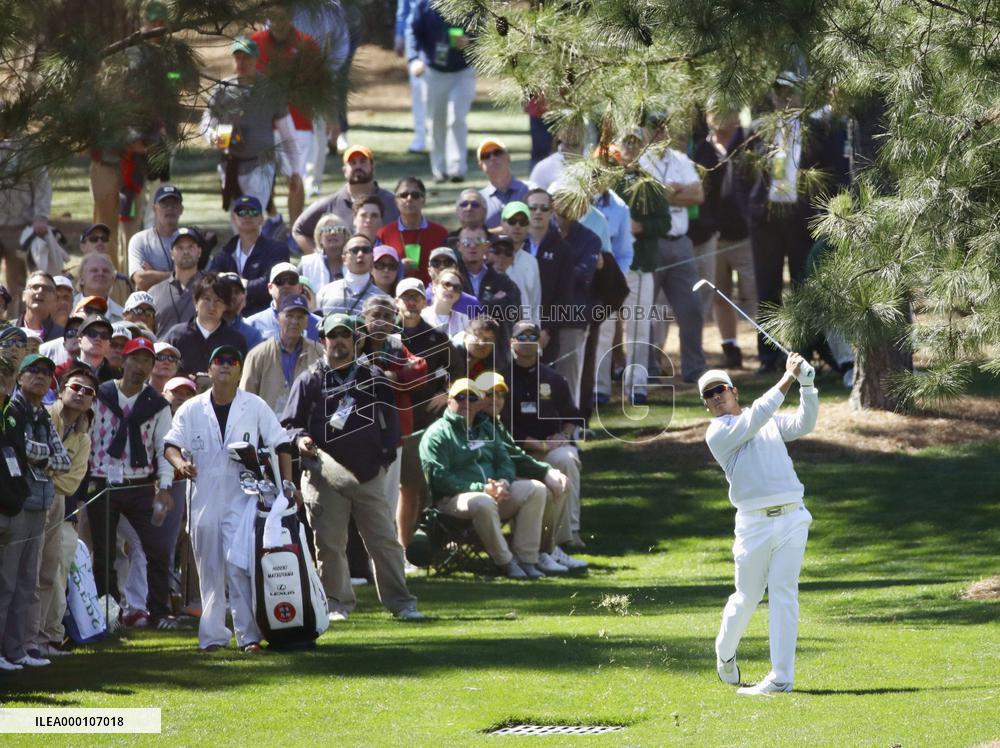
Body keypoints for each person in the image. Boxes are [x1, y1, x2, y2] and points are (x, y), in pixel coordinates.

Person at [282, 312, 423, 621]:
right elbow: (289, 424)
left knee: (385, 540)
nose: (339, 341)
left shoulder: (374, 377)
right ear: (323, 341)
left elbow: (392, 424)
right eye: (333, 335)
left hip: (368, 474)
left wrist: (384, 459)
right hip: (322, 474)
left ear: (356, 339)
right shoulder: (309, 380)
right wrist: (301, 439)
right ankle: (336, 604)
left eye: (345, 334)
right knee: (329, 543)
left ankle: (402, 603)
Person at [164, 345, 297, 653]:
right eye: (219, 361)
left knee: (240, 567)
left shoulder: (254, 405)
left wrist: (287, 486)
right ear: (210, 370)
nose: (225, 365)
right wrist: (180, 464)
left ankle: (249, 636)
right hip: (204, 498)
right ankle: (212, 637)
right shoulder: (192, 408)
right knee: (209, 570)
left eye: (232, 361)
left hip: (243, 498)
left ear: (239, 371)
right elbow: (171, 444)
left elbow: (281, 444)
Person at [700, 355, 817, 695]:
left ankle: (781, 678)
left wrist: (808, 386)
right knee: (747, 596)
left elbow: (803, 424)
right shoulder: (718, 432)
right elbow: (757, 417)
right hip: (753, 525)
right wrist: (788, 377)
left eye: (721, 390)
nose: (717, 397)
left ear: (734, 391)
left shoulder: (765, 419)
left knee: (783, 593)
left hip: (793, 517)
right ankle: (725, 653)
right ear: (706, 405)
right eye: (709, 395)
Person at [86, 337, 177, 630]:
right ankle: (109, 613)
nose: (140, 366)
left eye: (147, 361)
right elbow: (87, 438)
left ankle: (159, 611)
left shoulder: (157, 404)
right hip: (103, 481)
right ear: (123, 361)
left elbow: (164, 447)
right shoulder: (101, 395)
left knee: (157, 548)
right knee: (105, 553)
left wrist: (165, 486)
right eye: (135, 359)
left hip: (139, 485)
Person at [419, 378, 548, 579]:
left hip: (493, 495)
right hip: (451, 501)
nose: (466, 402)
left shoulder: (486, 428)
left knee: (536, 489)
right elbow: (440, 479)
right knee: (483, 501)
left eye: (472, 398)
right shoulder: (437, 434)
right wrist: (481, 488)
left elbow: (505, 462)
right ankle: (506, 562)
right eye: (460, 397)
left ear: (479, 403)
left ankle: (527, 559)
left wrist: (503, 482)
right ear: (449, 400)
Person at [474, 371, 586, 572]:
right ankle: (538, 553)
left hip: (500, 484)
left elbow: (511, 456)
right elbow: (511, 456)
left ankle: (544, 551)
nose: (495, 399)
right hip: (479, 490)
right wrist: (543, 472)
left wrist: (546, 472)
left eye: (500, 394)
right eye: (489, 393)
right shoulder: (476, 422)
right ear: (477, 396)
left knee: (556, 484)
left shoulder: (493, 423)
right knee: (541, 489)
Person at [0, 353, 71, 669]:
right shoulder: (11, 409)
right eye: (34, 370)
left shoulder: (43, 414)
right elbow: (20, 448)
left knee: (27, 583)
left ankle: (18, 649)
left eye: (47, 372)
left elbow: (62, 461)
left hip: (40, 505)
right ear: (19, 377)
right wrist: (41, 455)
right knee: (6, 582)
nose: (41, 376)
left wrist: (38, 456)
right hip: (16, 505)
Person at [746, 74, 818, 374]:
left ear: (800, 94)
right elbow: (738, 176)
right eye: (778, 93)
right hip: (766, 221)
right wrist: (751, 209)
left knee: (803, 287)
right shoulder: (757, 130)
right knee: (768, 290)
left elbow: (830, 171)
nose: (783, 98)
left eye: (789, 92)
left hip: (801, 218)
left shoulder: (817, 128)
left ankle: (804, 353)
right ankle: (769, 356)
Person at [27, 365, 95, 658]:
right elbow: (28, 462)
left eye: (87, 391)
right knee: (25, 573)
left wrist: (45, 470)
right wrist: (50, 469)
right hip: (27, 500)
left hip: (57, 505)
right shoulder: (41, 416)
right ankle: (20, 640)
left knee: (49, 573)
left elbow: (71, 483)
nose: (80, 394)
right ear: (61, 389)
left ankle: (43, 639)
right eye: (75, 387)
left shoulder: (84, 438)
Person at [507, 321, 587, 550]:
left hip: (549, 447)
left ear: (540, 342)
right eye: (522, 337)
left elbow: (573, 416)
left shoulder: (553, 378)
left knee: (567, 459)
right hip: (516, 450)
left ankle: (568, 535)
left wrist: (563, 435)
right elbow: (499, 423)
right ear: (512, 342)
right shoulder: (503, 378)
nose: (528, 342)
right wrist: (532, 443)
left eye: (533, 337)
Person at [202, 37, 300, 212]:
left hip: (261, 164)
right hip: (231, 165)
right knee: (237, 218)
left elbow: (287, 133)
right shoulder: (223, 90)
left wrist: (295, 171)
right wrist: (219, 138)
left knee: (253, 213)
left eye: (246, 58)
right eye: (238, 57)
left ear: (256, 59)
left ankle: (269, 223)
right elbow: (206, 125)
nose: (241, 62)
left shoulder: (271, 90)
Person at [690, 109, 756, 368]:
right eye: (714, 111)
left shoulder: (749, 142)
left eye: (726, 109)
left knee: (755, 293)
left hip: (746, 235)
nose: (720, 116)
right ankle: (730, 348)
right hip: (713, 238)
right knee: (720, 295)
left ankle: (770, 349)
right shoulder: (701, 150)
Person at [250, 7, 323, 225]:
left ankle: (295, 229)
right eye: (274, 18)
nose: (278, 23)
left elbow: (320, 85)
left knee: (295, 176)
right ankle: (271, 219)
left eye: (283, 17)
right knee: (261, 176)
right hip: (264, 122)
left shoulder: (307, 44)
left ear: (291, 16)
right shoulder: (255, 43)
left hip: (298, 120)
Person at [407, 1, 476, 183]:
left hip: (463, 71)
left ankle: (457, 168)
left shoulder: (470, 4)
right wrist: (414, 59)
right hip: (433, 71)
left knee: (456, 118)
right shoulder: (424, 5)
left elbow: (485, 31)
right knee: (436, 120)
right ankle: (439, 170)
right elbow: (413, 32)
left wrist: (470, 41)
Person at [293, 145, 399, 253]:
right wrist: (320, 257)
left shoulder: (394, 202)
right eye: (353, 163)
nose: (358, 166)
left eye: (363, 162)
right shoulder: (331, 204)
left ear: (373, 167)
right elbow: (298, 229)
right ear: (344, 170)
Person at [240, 293, 323, 416]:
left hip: (305, 425)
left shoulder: (319, 353)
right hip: (266, 424)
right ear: (278, 318)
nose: (294, 321)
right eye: (289, 316)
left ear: (307, 322)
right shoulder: (257, 355)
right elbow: (245, 398)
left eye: (300, 317)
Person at [207, 196, 290, 316]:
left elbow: (271, 285)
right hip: (227, 317)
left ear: (261, 219)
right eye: (241, 212)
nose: (247, 216)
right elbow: (210, 280)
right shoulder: (225, 252)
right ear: (234, 219)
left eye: (253, 212)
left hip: (264, 316)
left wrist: (233, 283)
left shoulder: (277, 249)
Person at [0, 137, 51, 319]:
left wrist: (40, 216)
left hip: (20, 226)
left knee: (17, 282)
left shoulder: (27, 150)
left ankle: (16, 324)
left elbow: (42, 184)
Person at [162, 274, 247, 375]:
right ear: (195, 301)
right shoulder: (177, 335)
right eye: (207, 299)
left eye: (218, 301)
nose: (212, 306)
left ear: (225, 306)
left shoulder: (235, 341)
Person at [376, 177, 448, 281]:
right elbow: (377, 270)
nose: (409, 198)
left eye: (415, 195)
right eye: (403, 195)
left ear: (423, 200)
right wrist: (399, 268)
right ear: (396, 201)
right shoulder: (384, 234)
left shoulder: (440, 233)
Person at [147, 227, 204, 335]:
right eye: (180, 248)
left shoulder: (211, 289)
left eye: (191, 247)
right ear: (171, 254)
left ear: (199, 252)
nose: (186, 252)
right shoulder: (154, 292)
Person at [245, 263, 321, 342]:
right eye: (280, 281)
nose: (286, 285)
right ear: (270, 288)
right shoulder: (252, 324)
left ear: (300, 288)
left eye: (292, 280)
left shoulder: (318, 324)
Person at [127, 184, 183, 291]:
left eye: (174, 204)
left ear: (181, 209)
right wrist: (179, 275)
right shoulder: (140, 240)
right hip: (150, 300)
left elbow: (198, 279)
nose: (170, 208)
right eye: (164, 204)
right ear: (154, 209)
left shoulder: (190, 239)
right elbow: (141, 280)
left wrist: (153, 273)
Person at [315, 234, 388, 316]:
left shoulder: (383, 299)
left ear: (372, 259)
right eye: (355, 250)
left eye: (366, 250)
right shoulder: (325, 292)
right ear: (344, 259)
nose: (360, 254)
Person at [493, 204, 540, 319]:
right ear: (502, 223)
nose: (517, 226)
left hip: (525, 327)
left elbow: (535, 304)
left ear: (528, 226)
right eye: (512, 221)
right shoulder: (490, 257)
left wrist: (536, 328)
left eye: (523, 222)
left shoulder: (531, 261)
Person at [75, 223, 134, 308]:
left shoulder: (122, 281)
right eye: (94, 239)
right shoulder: (70, 278)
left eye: (104, 239)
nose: (100, 242)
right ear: (83, 247)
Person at [394, 0, 427, 153]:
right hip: (414, 38)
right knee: (418, 90)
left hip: (440, 36)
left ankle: (440, 136)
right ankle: (420, 136)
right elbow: (403, 10)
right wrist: (399, 35)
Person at [477, 139, 529, 228]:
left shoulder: (530, 190)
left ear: (508, 157)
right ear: (481, 166)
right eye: (486, 156)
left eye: (497, 152)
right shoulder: (477, 200)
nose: (492, 158)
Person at [53, 314, 118, 384]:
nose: (98, 338)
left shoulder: (117, 377)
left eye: (104, 335)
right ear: (79, 341)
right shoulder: (59, 372)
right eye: (92, 333)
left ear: (109, 345)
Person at [300, 214, 350, 291]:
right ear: (319, 237)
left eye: (338, 229)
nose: (333, 233)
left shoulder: (355, 262)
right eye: (327, 230)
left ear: (345, 236)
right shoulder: (306, 264)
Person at [421, 268, 469, 338]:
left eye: (457, 287)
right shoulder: (421, 317)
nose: (451, 289)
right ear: (434, 287)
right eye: (447, 284)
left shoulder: (464, 320)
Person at [76, 253, 124, 322]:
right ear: (81, 279)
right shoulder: (68, 309)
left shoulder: (122, 316)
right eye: (94, 270)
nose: (100, 273)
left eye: (105, 271)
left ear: (112, 280)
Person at [18, 271, 63, 343]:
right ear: (24, 295)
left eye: (47, 289)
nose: (40, 291)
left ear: (55, 300)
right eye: (35, 287)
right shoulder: (6, 330)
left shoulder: (62, 336)